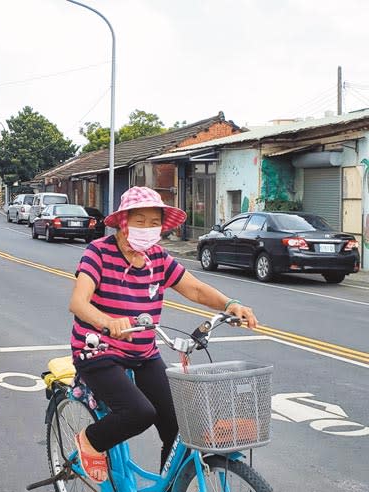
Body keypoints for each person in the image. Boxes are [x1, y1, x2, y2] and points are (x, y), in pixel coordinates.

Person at [69, 187, 258, 484]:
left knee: (177, 423)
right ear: (123, 222)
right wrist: (107, 322)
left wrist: (230, 304)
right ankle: (90, 440)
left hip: (142, 353)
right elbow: (78, 303)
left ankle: (168, 486)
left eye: (153, 221)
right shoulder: (99, 252)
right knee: (139, 412)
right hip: (98, 351)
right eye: (139, 220)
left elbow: (193, 288)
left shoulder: (157, 257)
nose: (147, 228)